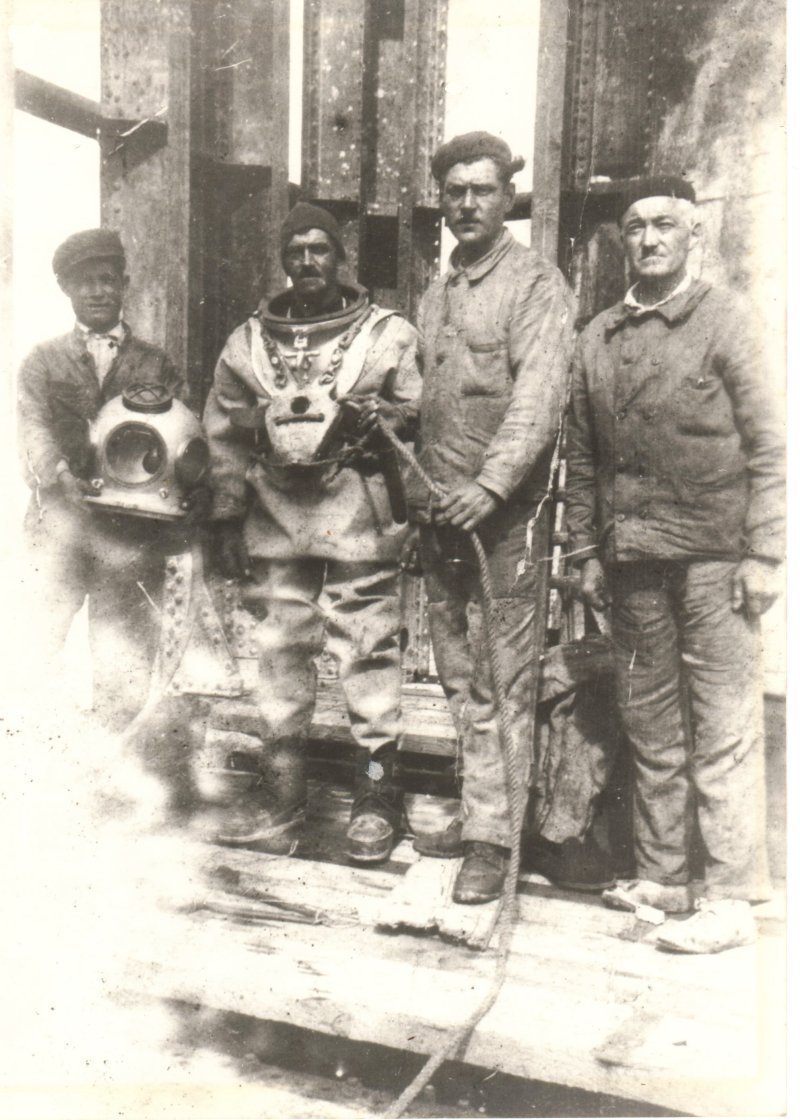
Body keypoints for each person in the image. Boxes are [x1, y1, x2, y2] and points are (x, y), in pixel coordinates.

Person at [566, 175, 783, 952]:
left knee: (723, 725)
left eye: (664, 225)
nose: (649, 239)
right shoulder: (598, 338)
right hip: (631, 564)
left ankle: (729, 895)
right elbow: (585, 461)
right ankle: (664, 875)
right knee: (650, 720)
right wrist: (587, 552)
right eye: (635, 227)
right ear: (623, 241)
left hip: (716, 563)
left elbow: (770, 445)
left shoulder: (726, 321)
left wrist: (765, 553)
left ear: (695, 234)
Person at [203, 202, 421, 862]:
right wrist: (225, 511)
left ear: (339, 257)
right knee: (279, 647)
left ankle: (378, 797)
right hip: (275, 513)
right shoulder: (247, 343)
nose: (307, 261)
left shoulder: (386, 333)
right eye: (295, 250)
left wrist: (377, 415)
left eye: (319, 249)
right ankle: (282, 793)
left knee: (367, 645)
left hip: (354, 508)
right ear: (282, 260)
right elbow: (224, 434)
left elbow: (412, 409)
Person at [410, 132, 578, 904]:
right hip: (442, 518)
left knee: (502, 682)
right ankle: (483, 813)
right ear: (441, 201)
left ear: (507, 197)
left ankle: (492, 842)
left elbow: (538, 402)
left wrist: (491, 485)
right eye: (455, 191)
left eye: (482, 189)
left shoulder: (537, 285)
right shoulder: (438, 289)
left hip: (504, 524)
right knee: (456, 677)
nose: (467, 203)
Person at [17, 228, 187, 731]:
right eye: (84, 282)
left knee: (124, 653)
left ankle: (117, 768)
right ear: (66, 290)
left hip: (129, 532)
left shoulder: (154, 362)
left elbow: (177, 436)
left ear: (124, 285)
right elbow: (31, 428)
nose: (96, 291)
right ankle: (44, 755)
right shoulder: (42, 361)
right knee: (38, 644)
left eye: (106, 280)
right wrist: (59, 474)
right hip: (58, 527)